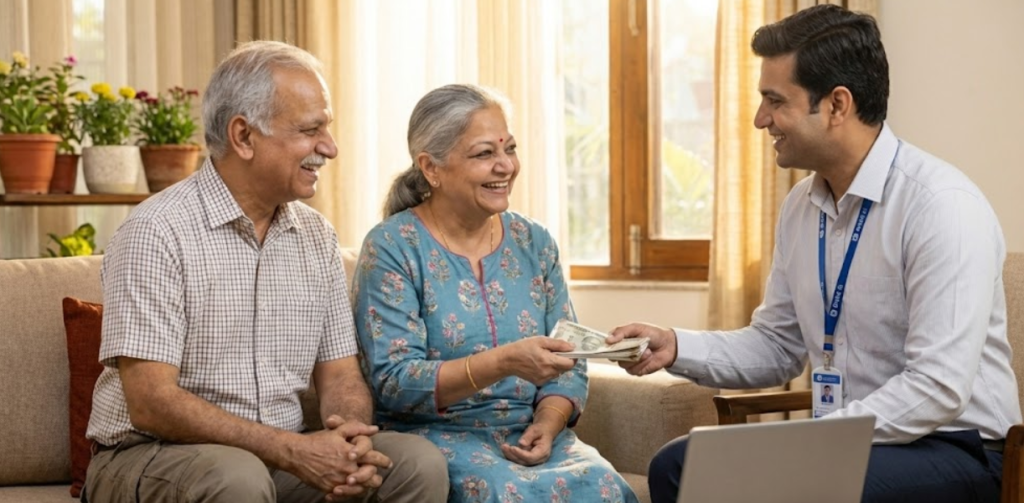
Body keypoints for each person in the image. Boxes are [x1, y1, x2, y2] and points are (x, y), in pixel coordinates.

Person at [606, 5, 1021, 503]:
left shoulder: (942, 207)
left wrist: (810, 441)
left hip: (957, 449)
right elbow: (777, 347)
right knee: (677, 465)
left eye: (774, 101)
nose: (761, 119)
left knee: (799, 485)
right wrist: (675, 344)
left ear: (836, 105)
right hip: (851, 443)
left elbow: (937, 389)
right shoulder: (802, 207)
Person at [83, 41, 448, 503]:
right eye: (310, 130)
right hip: (151, 455)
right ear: (243, 137)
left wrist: (349, 438)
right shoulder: (157, 231)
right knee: (236, 477)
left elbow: (339, 375)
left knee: (416, 465)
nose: (329, 148)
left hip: (272, 457)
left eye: (327, 129)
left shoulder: (316, 237)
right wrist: (290, 451)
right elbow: (151, 401)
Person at [353, 84, 638, 503]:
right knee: (501, 493)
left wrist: (549, 420)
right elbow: (395, 382)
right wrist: (503, 361)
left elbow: (570, 356)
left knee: (608, 488)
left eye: (510, 149)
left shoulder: (534, 242)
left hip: (532, 436)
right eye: (485, 154)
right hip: (435, 439)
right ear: (431, 167)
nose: (505, 166)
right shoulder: (392, 247)